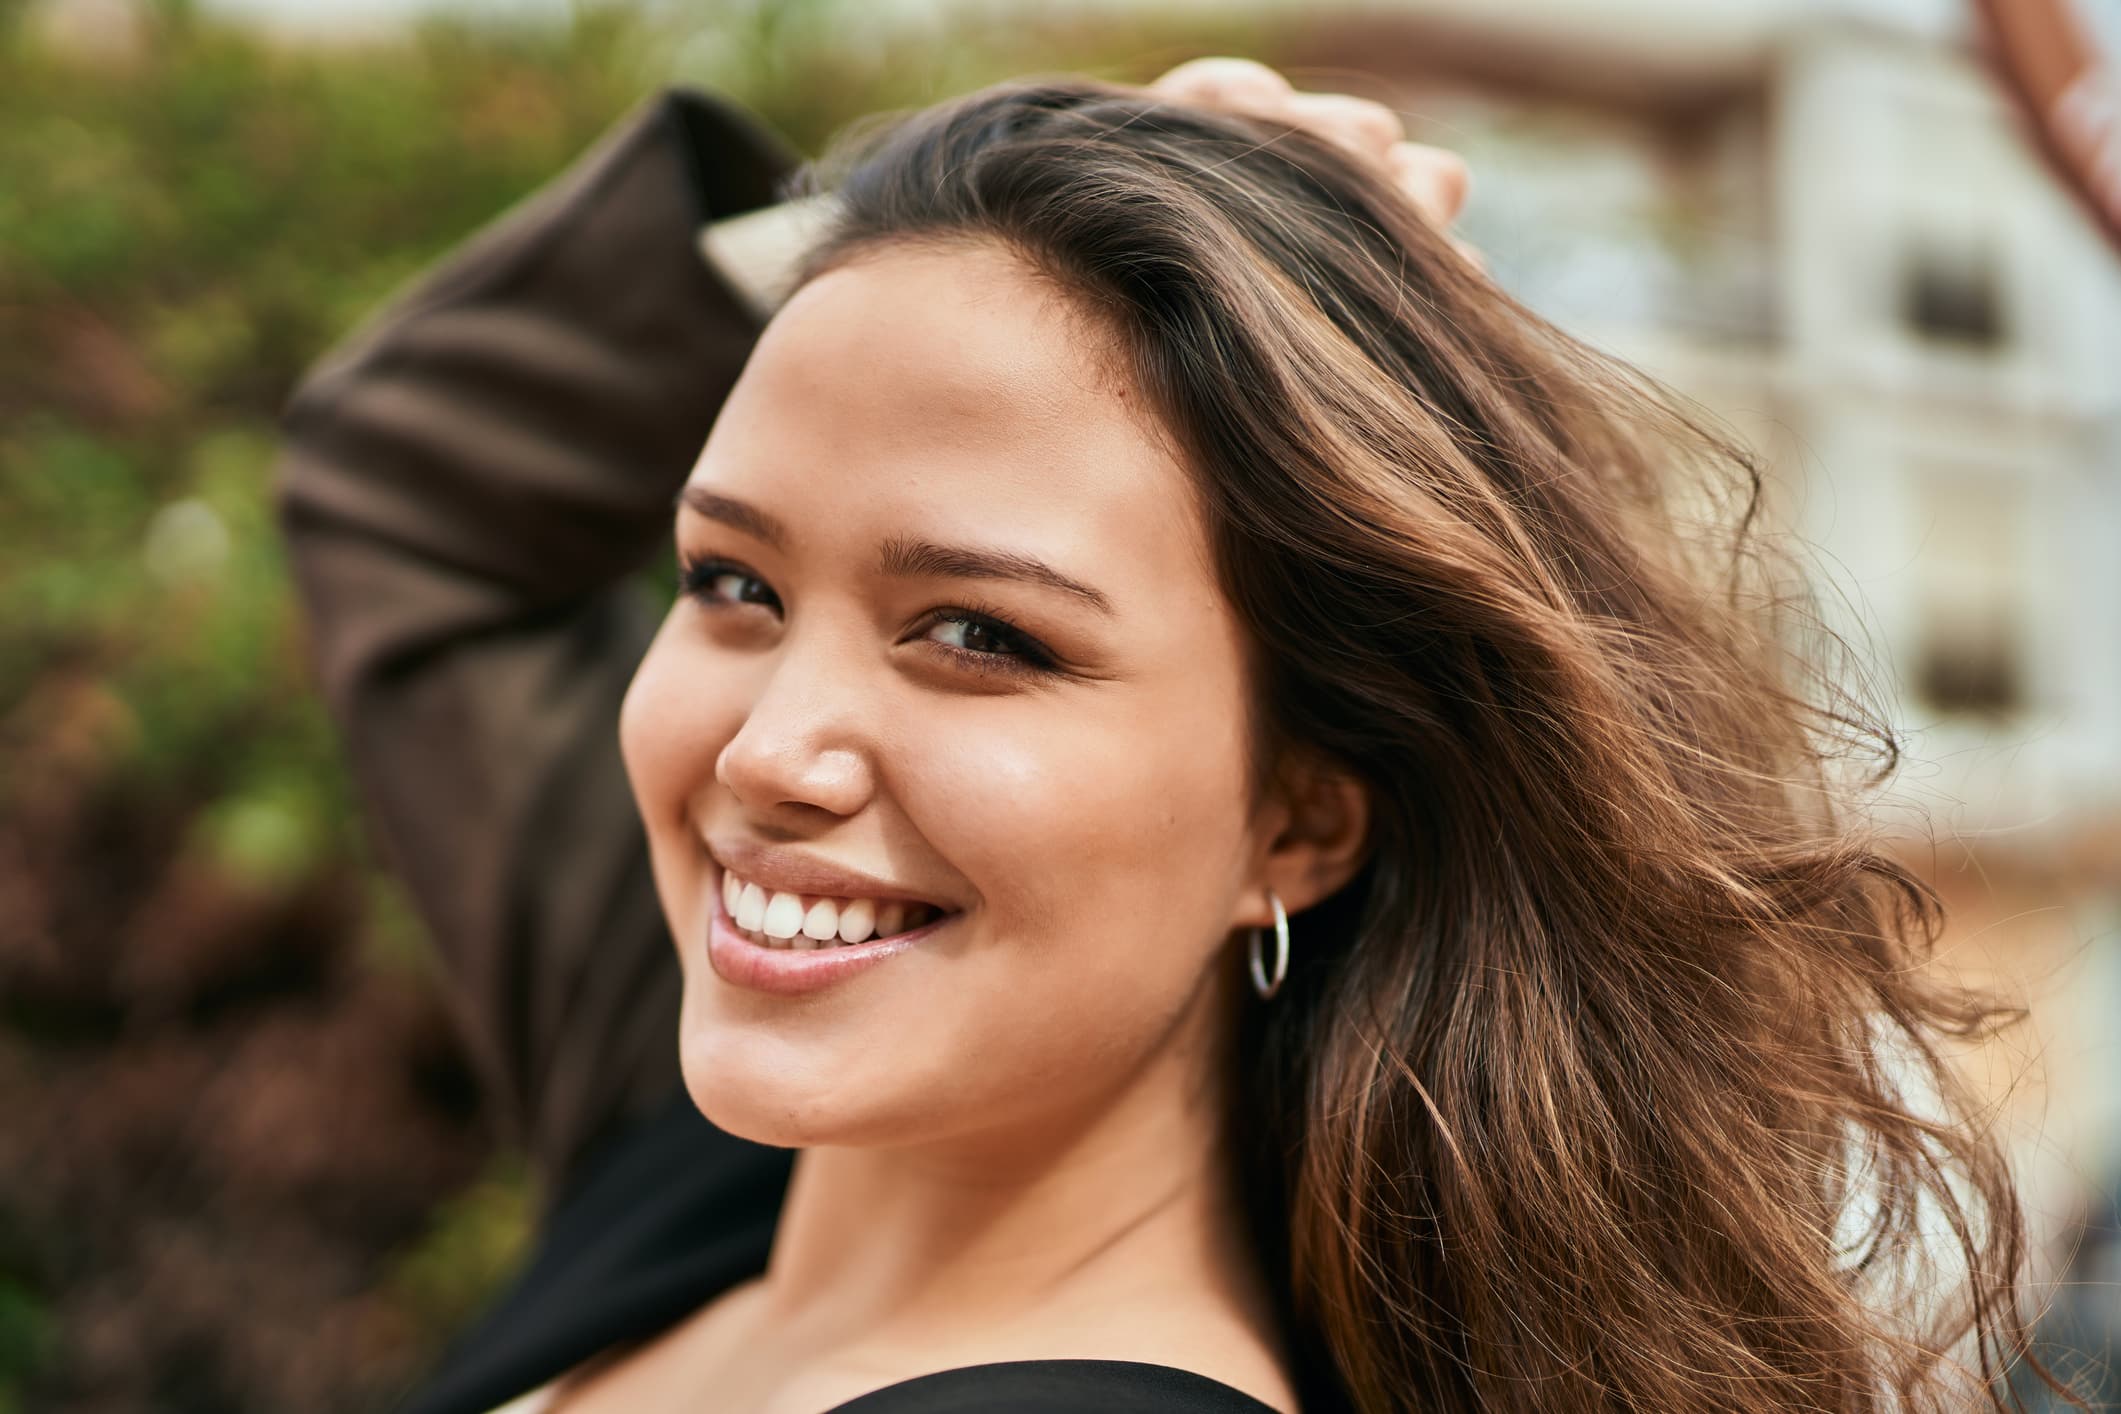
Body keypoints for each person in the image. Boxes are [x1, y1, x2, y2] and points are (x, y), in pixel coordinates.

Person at [275, 56, 2061, 1414]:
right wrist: (960, 222)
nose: (769, 751)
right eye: (731, 582)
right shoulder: (727, 1148)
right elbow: (414, 487)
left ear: (1297, 817)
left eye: (977, 634)